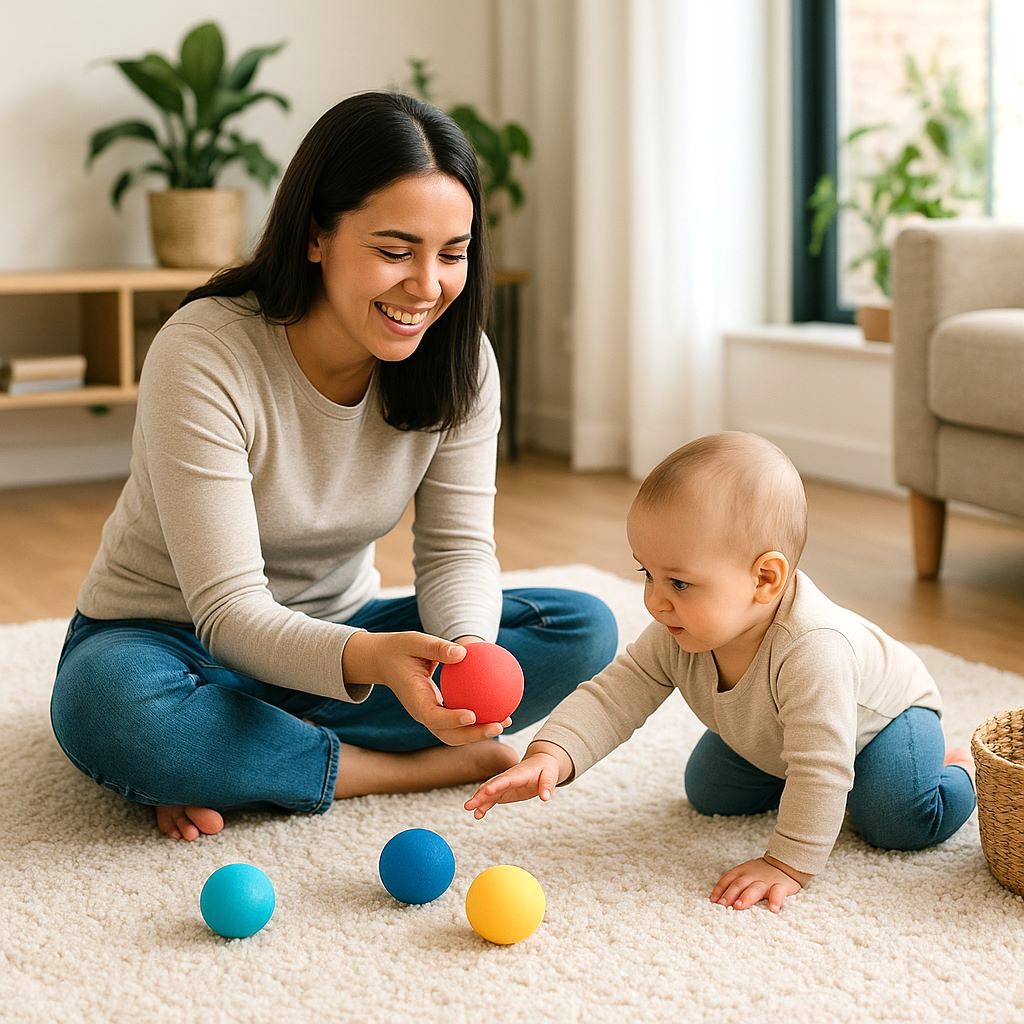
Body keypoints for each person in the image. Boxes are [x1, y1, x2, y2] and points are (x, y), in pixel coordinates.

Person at [49, 92, 617, 842]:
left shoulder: (462, 362)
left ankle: (238, 758)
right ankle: (383, 768)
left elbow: (455, 550)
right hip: (172, 639)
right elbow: (226, 612)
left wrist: (465, 658)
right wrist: (378, 663)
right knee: (106, 706)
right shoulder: (205, 351)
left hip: (336, 632)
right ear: (317, 235)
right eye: (394, 251)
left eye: (452, 254)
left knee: (581, 627)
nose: (427, 287)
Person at [465, 431, 977, 912]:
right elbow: (615, 694)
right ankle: (813, 793)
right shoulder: (681, 631)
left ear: (764, 579)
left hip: (886, 723)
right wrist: (553, 753)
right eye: (647, 573)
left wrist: (787, 861)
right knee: (709, 793)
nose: (654, 601)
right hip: (783, 735)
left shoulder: (813, 650)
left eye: (680, 583)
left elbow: (821, 762)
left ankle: (959, 771)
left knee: (893, 819)